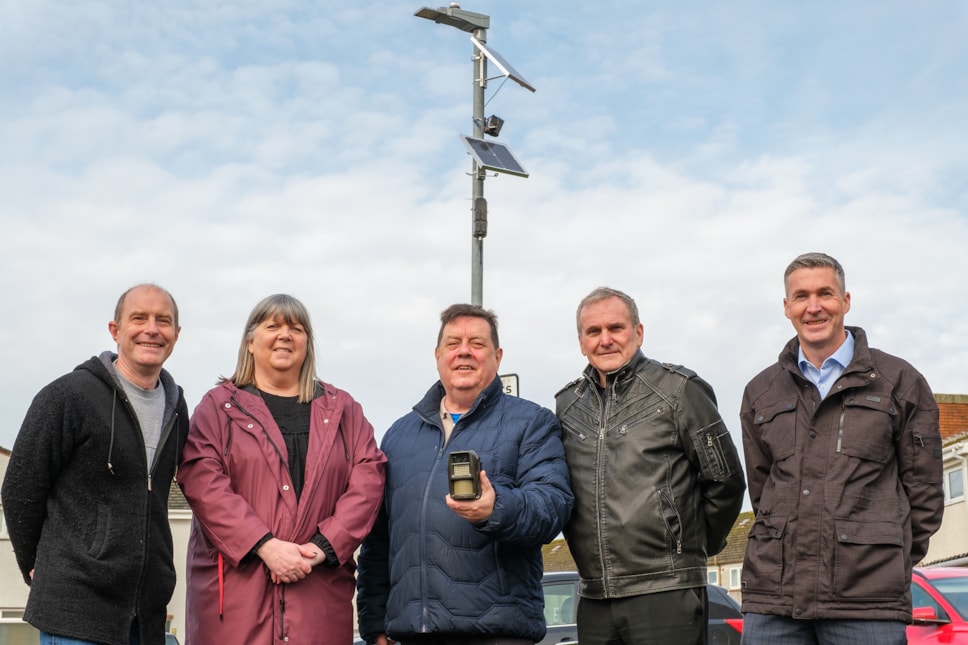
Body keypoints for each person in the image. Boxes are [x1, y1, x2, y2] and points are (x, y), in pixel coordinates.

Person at [739, 252, 944, 645]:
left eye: (825, 294)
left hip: (867, 603)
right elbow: (763, 491)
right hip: (774, 603)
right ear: (786, 307)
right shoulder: (760, 392)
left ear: (846, 301)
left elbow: (925, 493)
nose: (813, 307)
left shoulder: (899, 382)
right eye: (801, 297)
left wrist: (886, 557)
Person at [356, 304, 574, 645]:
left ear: (498, 356)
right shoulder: (399, 435)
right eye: (454, 342)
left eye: (477, 343)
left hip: (497, 632)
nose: (464, 352)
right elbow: (380, 538)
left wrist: (495, 508)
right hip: (414, 634)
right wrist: (374, 624)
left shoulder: (532, 422)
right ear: (438, 354)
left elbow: (552, 506)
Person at [177, 293, 386, 644]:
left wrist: (322, 546)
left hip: (318, 603)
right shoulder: (217, 408)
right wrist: (264, 545)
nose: (285, 335)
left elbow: (368, 480)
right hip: (235, 609)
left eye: (296, 328)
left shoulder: (344, 411)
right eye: (272, 326)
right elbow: (203, 481)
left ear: (309, 343)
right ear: (250, 342)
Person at [556, 286, 746, 645]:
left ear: (638, 332)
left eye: (616, 328)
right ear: (581, 342)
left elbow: (726, 481)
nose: (605, 340)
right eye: (593, 332)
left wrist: (692, 547)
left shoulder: (678, 390)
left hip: (667, 591)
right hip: (595, 597)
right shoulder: (567, 405)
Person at [1, 284, 188, 645]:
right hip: (75, 612)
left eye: (163, 321)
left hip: (145, 618)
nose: (152, 328)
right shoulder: (68, 396)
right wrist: (35, 568)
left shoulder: (178, 410)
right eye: (139, 318)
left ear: (176, 335)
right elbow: (20, 488)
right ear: (115, 330)